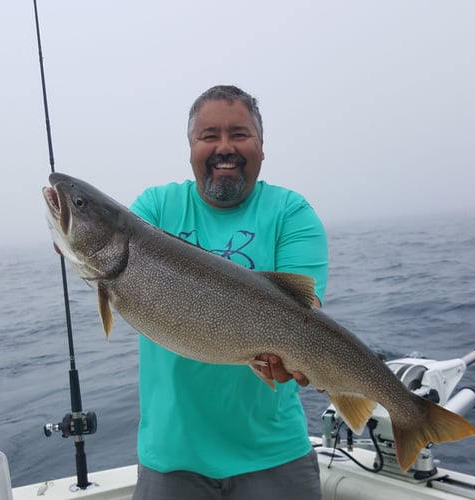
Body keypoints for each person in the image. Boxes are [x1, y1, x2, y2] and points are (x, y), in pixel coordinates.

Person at [130, 85, 328, 499]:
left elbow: (305, 314)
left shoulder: (291, 213)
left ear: (260, 145)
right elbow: (114, 255)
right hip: (171, 460)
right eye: (209, 136)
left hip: (275, 455)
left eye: (239, 134)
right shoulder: (154, 209)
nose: (224, 147)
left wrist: (292, 360)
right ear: (190, 147)